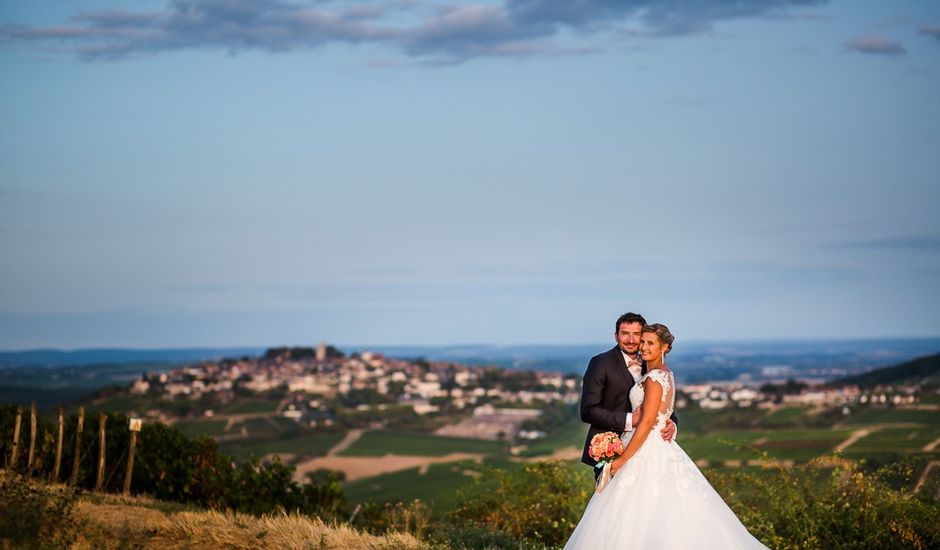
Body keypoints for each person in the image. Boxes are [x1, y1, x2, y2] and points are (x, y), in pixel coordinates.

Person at [564, 324, 769, 549]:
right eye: (642, 341)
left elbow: (650, 421)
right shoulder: (653, 372)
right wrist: (649, 421)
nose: (641, 346)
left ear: (665, 347)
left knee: (641, 512)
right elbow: (591, 410)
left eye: (648, 342)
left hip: (644, 447)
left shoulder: (653, 376)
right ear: (616, 335)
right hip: (642, 443)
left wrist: (624, 458)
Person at [580, 312, 677, 480]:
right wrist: (630, 419)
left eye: (637, 334)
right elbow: (588, 411)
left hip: (649, 449)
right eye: (625, 333)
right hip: (611, 450)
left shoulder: (651, 365)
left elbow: (663, 405)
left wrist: (672, 424)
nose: (631, 340)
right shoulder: (601, 363)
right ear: (616, 336)